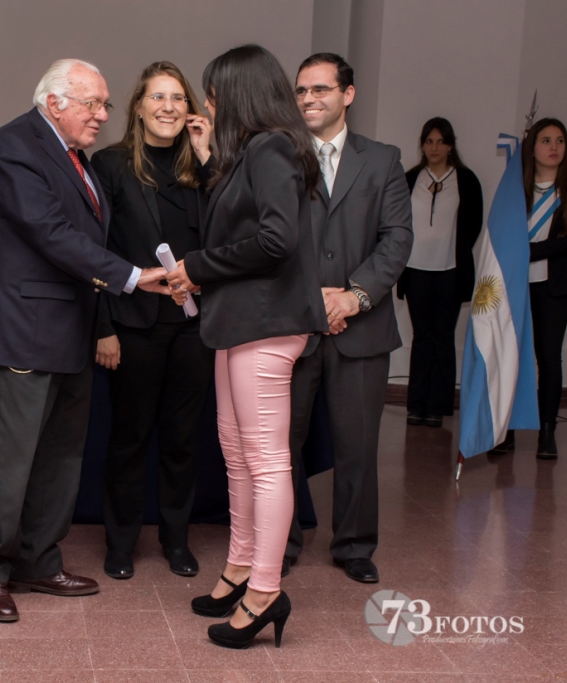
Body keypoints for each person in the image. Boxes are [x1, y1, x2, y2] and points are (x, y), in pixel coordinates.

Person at [0, 58, 169, 623]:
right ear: (55, 102)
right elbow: (49, 233)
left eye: (104, 104)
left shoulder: (77, 160)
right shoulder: (15, 144)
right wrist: (131, 276)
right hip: (25, 335)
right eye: (93, 104)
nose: (104, 115)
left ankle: (37, 560)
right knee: (9, 464)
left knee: (59, 459)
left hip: (73, 333)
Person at [165, 44, 328, 650]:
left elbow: (276, 239)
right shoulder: (251, 153)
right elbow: (238, 221)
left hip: (266, 320)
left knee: (265, 461)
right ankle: (238, 568)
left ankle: (264, 591)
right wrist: (211, 165)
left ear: (239, 93)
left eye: (213, 92)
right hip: (238, 321)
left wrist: (198, 265)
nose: (207, 103)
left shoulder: (274, 148)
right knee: (237, 454)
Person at [284, 53, 413, 584]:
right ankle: (281, 541)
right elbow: (275, 241)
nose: (309, 99)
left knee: (358, 445)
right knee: (282, 444)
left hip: (362, 329)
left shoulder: (382, 160)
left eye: (320, 89)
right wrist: (316, 301)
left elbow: (397, 238)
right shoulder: (283, 159)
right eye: (301, 91)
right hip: (294, 328)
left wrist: (354, 297)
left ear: (348, 94)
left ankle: (355, 545)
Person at [91, 61, 214, 580]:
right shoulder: (111, 164)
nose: (168, 107)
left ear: (191, 109)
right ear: (139, 106)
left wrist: (210, 158)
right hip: (132, 327)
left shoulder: (206, 168)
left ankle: (175, 541)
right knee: (128, 439)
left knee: (183, 440)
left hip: (193, 327)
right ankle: (120, 545)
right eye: (157, 97)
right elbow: (92, 252)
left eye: (178, 98)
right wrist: (102, 327)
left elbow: (229, 238)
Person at [493, 118, 567, 459]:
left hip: (554, 285)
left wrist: (523, 251)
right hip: (515, 285)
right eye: (546, 140)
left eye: (560, 140)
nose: (554, 147)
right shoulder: (515, 187)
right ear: (531, 148)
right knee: (513, 358)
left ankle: (546, 431)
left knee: (548, 358)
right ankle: (506, 431)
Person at [398, 118, 483, 428]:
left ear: (450, 145)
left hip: (450, 271)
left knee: (443, 337)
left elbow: (473, 225)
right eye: (428, 141)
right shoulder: (409, 179)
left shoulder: (466, 180)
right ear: (422, 145)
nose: (434, 147)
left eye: (440, 141)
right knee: (422, 337)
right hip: (416, 270)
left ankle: (438, 406)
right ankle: (416, 404)